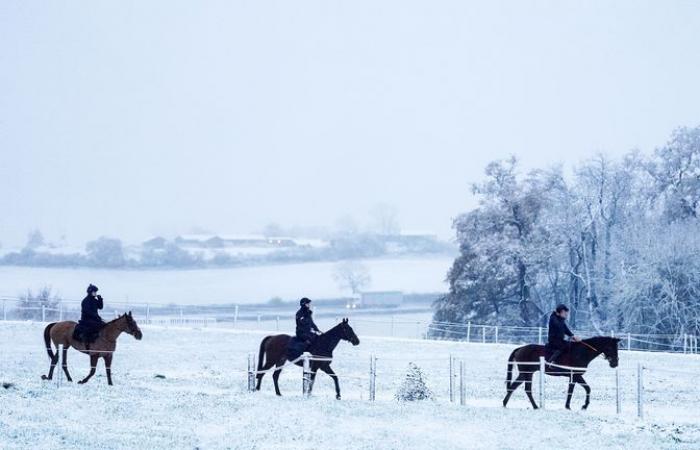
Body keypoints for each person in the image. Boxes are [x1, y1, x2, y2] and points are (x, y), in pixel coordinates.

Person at [73, 284, 106, 349]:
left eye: (96, 292)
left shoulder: (94, 300)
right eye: (94, 292)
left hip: (94, 318)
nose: (95, 293)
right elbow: (87, 311)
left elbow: (100, 307)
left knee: (104, 325)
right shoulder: (86, 300)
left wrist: (100, 299)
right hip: (86, 319)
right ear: (90, 292)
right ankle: (89, 340)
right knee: (95, 326)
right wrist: (96, 316)